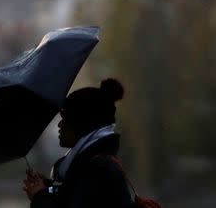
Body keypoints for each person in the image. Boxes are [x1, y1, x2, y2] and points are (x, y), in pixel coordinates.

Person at [23, 78, 134, 208]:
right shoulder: (87, 165)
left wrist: (40, 196)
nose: (59, 125)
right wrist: (46, 186)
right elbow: (73, 194)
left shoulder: (99, 169)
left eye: (64, 119)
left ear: (80, 124)